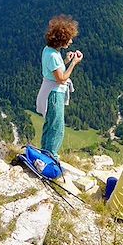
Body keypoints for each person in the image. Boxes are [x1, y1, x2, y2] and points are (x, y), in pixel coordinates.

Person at [36, 15, 82, 158]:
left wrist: (66, 61)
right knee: (57, 127)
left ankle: (45, 153)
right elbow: (61, 78)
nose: (71, 41)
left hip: (49, 90)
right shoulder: (53, 56)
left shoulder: (49, 51)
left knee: (50, 124)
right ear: (62, 39)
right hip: (55, 94)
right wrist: (73, 63)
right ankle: (51, 156)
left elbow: (54, 71)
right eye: (69, 38)